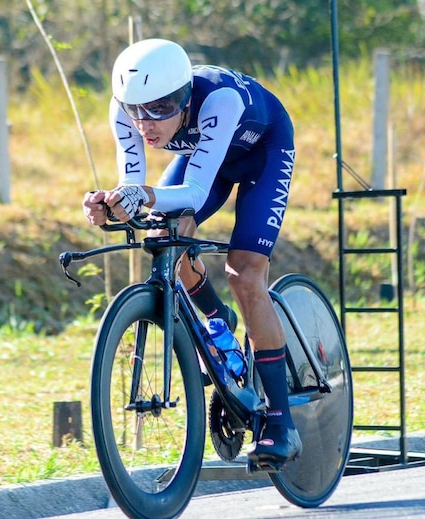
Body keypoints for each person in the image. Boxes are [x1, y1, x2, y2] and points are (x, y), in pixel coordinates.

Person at [82, 38, 301, 467]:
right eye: (136, 110)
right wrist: (110, 205)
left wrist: (142, 195)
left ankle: (280, 421)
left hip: (263, 151)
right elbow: (134, 180)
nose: (146, 123)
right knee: (169, 235)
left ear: (183, 97)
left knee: (244, 272)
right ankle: (219, 320)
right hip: (207, 159)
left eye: (160, 108)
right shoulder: (124, 110)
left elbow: (195, 190)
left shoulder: (216, 99)